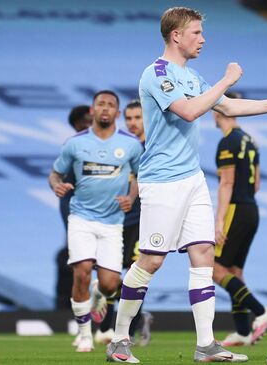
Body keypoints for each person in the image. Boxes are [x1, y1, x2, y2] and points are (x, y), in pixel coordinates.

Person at [106, 7, 267, 363]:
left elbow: (229, 108)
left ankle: (206, 344)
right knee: (150, 261)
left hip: (192, 179)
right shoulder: (156, 74)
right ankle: (119, 339)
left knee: (203, 256)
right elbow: (190, 111)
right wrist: (226, 79)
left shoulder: (192, 75)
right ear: (176, 35)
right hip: (162, 182)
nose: (203, 39)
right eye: (196, 32)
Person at [49, 90, 143, 353]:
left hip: (113, 222)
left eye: (111, 105)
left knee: (110, 283)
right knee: (81, 269)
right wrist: (57, 185)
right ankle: (85, 334)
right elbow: (55, 173)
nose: (105, 109)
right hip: (81, 218)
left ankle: (100, 294)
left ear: (116, 112)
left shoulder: (130, 144)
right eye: (100, 104)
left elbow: (138, 175)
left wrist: (131, 197)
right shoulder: (75, 143)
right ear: (92, 110)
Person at [213, 92, 267, 347]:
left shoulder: (228, 142)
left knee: (213, 269)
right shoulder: (251, 141)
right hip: (252, 209)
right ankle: (242, 332)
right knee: (235, 272)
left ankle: (261, 312)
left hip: (236, 209)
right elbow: (258, 183)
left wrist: (219, 220)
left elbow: (226, 182)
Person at [95, 100, 154, 347]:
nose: (132, 123)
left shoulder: (151, 146)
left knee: (133, 273)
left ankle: (120, 329)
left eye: (137, 118)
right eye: (128, 118)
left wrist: (132, 197)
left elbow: (142, 180)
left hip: (142, 219)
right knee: (110, 273)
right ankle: (130, 322)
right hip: (117, 220)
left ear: (146, 119)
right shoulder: (122, 147)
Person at [56, 105, 93, 311]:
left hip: (109, 221)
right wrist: (70, 224)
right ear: (76, 125)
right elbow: (64, 193)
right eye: (86, 121)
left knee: (111, 273)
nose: (90, 125)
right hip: (79, 220)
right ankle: (65, 314)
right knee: (75, 265)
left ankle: (130, 318)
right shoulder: (72, 150)